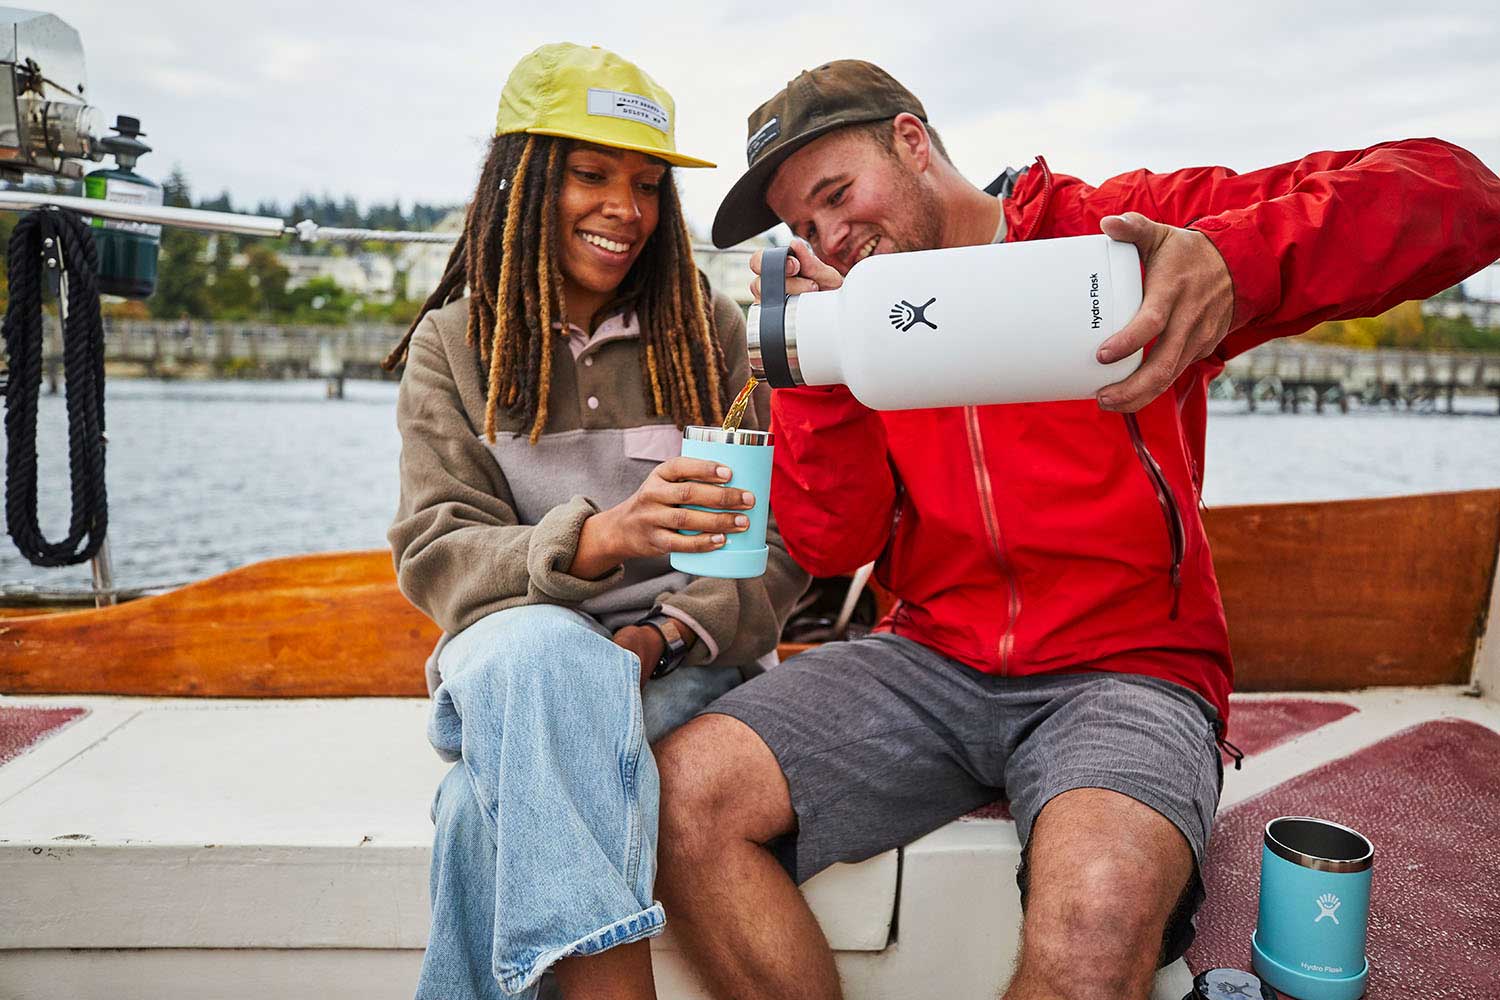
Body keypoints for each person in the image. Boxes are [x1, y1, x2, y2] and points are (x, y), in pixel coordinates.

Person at [653, 60, 1500, 1000]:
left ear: (911, 140)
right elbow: (834, 542)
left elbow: (1460, 194)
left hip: (1129, 665)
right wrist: (819, 374)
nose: (829, 239)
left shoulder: (1117, 236)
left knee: (1095, 925)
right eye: (804, 228)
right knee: (680, 800)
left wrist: (1231, 262)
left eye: (838, 195)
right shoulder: (859, 321)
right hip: (930, 654)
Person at [385, 43, 808, 1000]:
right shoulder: (451, 347)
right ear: (523, 183)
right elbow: (437, 549)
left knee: (476, 804)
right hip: (518, 662)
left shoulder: (710, 329)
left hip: (676, 670)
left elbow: (777, 541)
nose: (628, 207)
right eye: (591, 174)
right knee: (543, 659)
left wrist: (663, 634)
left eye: (648, 184)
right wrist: (600, 538)